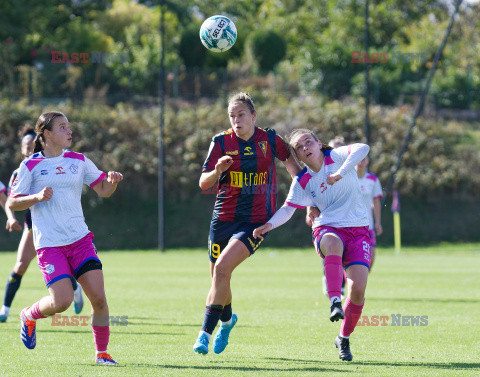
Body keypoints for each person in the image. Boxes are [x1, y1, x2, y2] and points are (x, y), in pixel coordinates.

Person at [7, 111, 123, 365]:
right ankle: (28, 314)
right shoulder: (30, 166)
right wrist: (36, 197)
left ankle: (102, 353)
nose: (69, 131)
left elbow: (103, 189)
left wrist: (112, 182)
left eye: (69, 127)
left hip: (80, 240)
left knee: (100, 299)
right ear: (47, 134)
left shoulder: (79, 161)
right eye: (62, 127)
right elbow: (14, 202)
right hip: (50, 245)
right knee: (62, 302)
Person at [193, 92, 302, 355]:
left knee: (221, 270)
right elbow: (203, 182)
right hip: (222, 220)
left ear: (253, 116)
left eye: (241, 114)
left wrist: (308, 197)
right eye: (232, 116)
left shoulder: (270, 139)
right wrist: (218, 170)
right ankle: (228, 322)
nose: (236, 120)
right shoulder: (220, 142)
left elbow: (293, 166)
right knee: (219, 278)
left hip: (254, 222)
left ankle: (204, 334)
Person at [253, 129, 371, 361]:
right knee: (332, 243)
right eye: (299, 147)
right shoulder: (304, 180)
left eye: (309, 142)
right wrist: (268, 225)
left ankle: (343, 338)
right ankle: (335, 300)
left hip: (358, 230)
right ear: (297, 155)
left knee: (358, 290)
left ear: (318, 144)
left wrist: (339, 173)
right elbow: (288, 208)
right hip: (327, 227)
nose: (305, 147)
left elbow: (363, 149)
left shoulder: (335, 157)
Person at [0, 126, 84, 322]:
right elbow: (11, 199)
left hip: (54, 225)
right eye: (26, 146)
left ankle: (75, 286)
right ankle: (4, 309)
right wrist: (11, 217)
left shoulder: (50, 166)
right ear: (21, 149)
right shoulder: (19, 172)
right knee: (20, 264)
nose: (29, 149)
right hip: (32, 226)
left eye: (32, 145)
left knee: (61, 266)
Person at [356, 155, 383, 269]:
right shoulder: (347, 178)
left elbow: (376, 202)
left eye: (363, 159)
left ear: (367, 161)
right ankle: (350, 281)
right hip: (350, 225)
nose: (360, 162)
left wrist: (378, 222)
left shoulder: (373, 179)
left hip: (368, 226)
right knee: (350, 258)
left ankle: (359, 282)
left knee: (371, 258)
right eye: (358, 159)